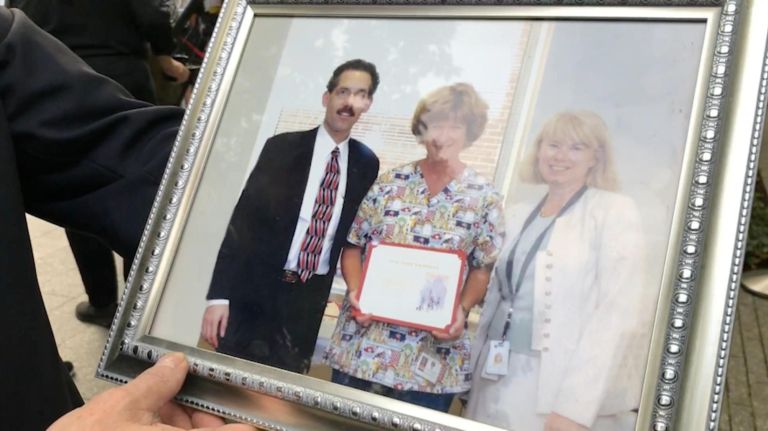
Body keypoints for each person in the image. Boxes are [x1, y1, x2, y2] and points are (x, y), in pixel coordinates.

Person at [0, 7, 225, 429]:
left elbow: (118, 156)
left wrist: (258, 173)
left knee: (94, 205)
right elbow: (149, 17)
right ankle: (132, 302)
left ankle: (110, 301)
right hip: (110, 71)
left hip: (62, 85)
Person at [464, 111, 652, 430]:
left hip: (554, 387)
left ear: (596, 157)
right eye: (553, 145)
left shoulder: (613, 212)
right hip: (494, 372)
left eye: (576, 147)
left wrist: (574, 408)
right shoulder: (518, 213)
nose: (560, 156)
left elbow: (616, 314)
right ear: (539, 150)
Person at [323, 82, 505, 412]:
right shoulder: (389, 183)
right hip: (364, 349)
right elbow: (352, 246)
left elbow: (483, 267)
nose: (442, 135)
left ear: (470, 132)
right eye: (434, 124)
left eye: (455, 125)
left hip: (432, 365)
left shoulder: (484, 197)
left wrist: (461, 310)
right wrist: (355, 290)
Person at [9, 0, 190, 328]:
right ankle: (143, 304)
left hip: (43, 76)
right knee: (131, 179)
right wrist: (164, 51)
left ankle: (102, 299)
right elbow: (150, 14)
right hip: (119, 71)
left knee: (71, 184)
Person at [200, 59, 381, 375]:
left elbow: (355, 235)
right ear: (327, 98)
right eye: (343, 92)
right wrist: (218, 296)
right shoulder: (281, 147)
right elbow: (241, 223)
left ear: (367, 103)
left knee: (278, 397)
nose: (349, 103)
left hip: (306, 303)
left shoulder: (367, 163)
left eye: (360, 94)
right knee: (226, 382)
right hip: (255, 290)